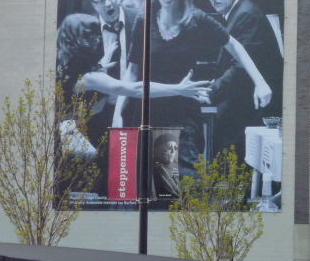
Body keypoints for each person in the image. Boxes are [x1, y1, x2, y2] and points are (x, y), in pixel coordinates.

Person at [117, 0, 272, 179]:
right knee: (147, 185)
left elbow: (235, 45)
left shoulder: (195, 19)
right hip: (148, 110)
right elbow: (132, 71)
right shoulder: (144, 21)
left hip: (181, 113)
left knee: (172, 184)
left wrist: (260, 82)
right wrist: (117, 114)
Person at [56, 13, 210, 197]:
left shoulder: (62, 66)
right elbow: (136, 89)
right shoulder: (89, 78)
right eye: (91, 37)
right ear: (80, 41)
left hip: (61, 131)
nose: (97, 41)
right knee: (99, 166)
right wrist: (178, 89)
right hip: (67, 135)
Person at [200, 0, 283, 156]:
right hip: (243, 110)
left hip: (246, 112)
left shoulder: (246, 15)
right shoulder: (239, 12)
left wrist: (209, 93)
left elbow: (240, 69)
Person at [152, 132, 180, 199]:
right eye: (169, 147)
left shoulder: (166, 168)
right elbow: (177, 196)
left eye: (175, 148)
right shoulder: (159, 168)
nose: (173, 151)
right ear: (157, 150)